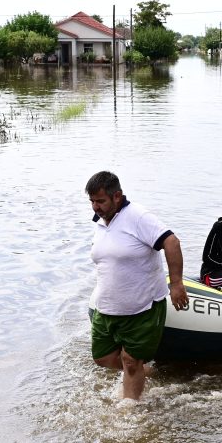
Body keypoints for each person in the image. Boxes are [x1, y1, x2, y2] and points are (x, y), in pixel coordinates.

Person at [87, 171, 188, 400]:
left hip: (142, 307)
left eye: (100, 201)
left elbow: (171, 242)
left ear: (117, 197)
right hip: (108, 308)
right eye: (92, 201)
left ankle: (130, 415)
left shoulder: (138, 217)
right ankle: (147, 373)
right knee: (101, 357)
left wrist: (177, 284)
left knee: (131, 361)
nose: (95, 207)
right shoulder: (102, 223)